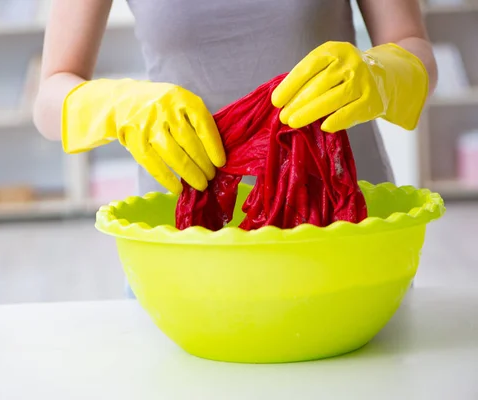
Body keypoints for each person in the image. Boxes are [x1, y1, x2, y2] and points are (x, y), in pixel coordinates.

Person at [33, 0, 437, 295]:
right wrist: (117, 105)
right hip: (188, 247)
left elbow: (410, 40)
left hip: (347, 233)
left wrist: (383, 75)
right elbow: (50, 96)